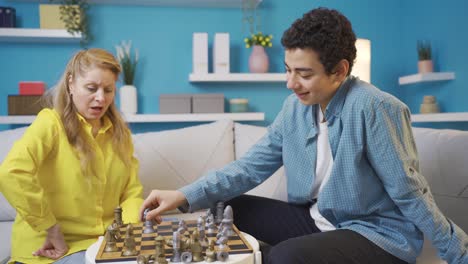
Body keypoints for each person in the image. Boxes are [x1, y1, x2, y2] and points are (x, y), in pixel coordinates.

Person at [140, 8, 468, 264]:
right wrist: (183, 195)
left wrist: (458, 253)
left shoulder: (376, 108)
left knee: (285, 257)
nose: (290, 83)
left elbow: (410, 193)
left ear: (339, 70)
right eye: (287, 69)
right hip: (318, 220)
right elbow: (248, 168)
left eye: (304, 74)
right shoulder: (294, 108)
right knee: (224, 206)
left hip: (376, 235)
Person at [0, 48, 143, 264]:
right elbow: (12, 173)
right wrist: (50, 227)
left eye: (108, 90)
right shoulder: (50, 123)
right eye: (91, 88)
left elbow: (131, 193)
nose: (100, 98)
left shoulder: (119, 134)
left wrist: (128, 232)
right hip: (51, 249)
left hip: (104, 245)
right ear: (71, 84)